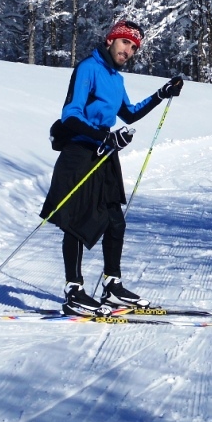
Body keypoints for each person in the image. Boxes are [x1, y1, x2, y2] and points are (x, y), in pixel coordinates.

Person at [41, 20, 183, 315]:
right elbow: (71, 114)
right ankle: (74, 290)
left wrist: (162, 93)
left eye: (134, 47)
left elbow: (129, 114)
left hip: (105, 154)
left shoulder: (116, 79)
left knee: (115, 220)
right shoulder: (88, 68)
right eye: (125, 43)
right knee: (75, 222)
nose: (129, 50)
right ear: (110, 40)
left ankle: (112, 286)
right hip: (80, 150)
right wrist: (104, 135)